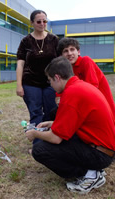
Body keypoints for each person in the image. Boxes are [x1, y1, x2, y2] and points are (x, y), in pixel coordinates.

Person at [25, 56, 115, 194]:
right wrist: (52, 124)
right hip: (104, 148)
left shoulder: (71, 94)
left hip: (100, 154)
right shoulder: (79, 86)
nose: (51, 85)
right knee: (57, 131)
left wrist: (35, 133)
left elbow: (56, 138)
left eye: (50, 81)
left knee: (40, 150)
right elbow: (77, 121)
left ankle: (89, 174)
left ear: (57, 77)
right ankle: (92, 171)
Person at [16, 10, 58, 143]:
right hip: (30, 83)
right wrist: (19, 85)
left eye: (44, 21)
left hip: (50, 83)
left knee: (51, 112)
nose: (42, 24)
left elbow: (60, 63)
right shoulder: (26, 41)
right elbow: (20, 64)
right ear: (32, 23)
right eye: (39, 21)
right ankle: (37, 143)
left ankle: (48, 139)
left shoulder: (53, 39)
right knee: (35, 113)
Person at [57, 37, 115, 118]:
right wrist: (59, 97)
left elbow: (92, 87)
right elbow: (62, 88)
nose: (69, 53)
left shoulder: (86, 61)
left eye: (72, 49)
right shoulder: (66, 69)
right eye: (65, 51)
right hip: (87, 104)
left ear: (78, 51)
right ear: (61, 55)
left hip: (101, 106)